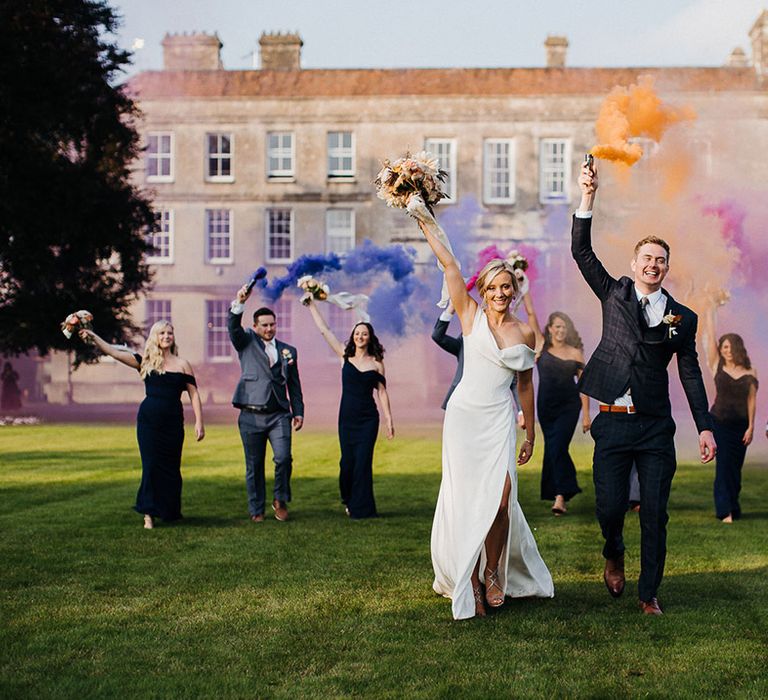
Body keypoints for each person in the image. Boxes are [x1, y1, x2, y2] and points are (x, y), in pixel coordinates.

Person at [572, 161, 715, 616]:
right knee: (610, 506)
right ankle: (612, 549)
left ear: (667, 268)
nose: (653, 265)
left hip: (656, 427)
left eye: (660, 260)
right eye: (646, 258)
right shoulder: (613, 293)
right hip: (612, 423)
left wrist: (705, 428)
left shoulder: (683, 317)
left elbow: (690, 372)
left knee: (655, 512)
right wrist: (588, 196)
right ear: (635, 264)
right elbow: (581, 252)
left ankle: (648, 592)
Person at [410, 196, 553, 620]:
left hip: (499, 419)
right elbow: (450, 266)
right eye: (492, 287)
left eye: (506, 287)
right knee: (466, 498)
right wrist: (422, 217)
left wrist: (531, 432)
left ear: (514, 289)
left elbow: (525, 382)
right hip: (464, 417)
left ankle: (493, 571)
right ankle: (467, 576)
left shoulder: (524, 332)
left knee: (502, 499)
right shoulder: (469, 316)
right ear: (483, 290)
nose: (500, 293)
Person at [80, 322, 204, 529]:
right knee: (151, 466)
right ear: (155, 337)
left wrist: (199, 422)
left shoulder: (183, 364)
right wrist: (93, 336)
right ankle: (148, 514)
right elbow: (114, 352)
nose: (167, 336)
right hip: (149, 422)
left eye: (170, 333)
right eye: (162, 333)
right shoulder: (145, 362)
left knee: (172, 468)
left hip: (173, 422)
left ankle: (170, 511)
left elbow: (194, 394)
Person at [305, 299, 394, 518]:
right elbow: (325, 331)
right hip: (347, 419)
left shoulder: (377, 363)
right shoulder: (344, 357)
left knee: (363, 462)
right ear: (353, 336)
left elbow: (382, 392)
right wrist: (311, 306)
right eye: (357, 333)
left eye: (364, 333)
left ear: (369, 337)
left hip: (368, 420)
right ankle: (348, 498)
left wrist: (389, 420)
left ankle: (362, 509)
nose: (360, 336)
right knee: (347, 464)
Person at [229, 286, 304, 523]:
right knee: (254, 465)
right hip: (250, 414)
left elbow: (294, 384)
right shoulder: (246, 342)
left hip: (279, 415)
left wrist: (298, 412)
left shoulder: (288, 351)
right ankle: (256, 509)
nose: (269, 328)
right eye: (264, 325)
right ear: (256, 327)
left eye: (272, 324)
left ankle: (280, 499)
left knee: (283, 458)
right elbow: (233, 327)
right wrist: (239, 303)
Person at [702, 309, 758, 523]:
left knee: (735, 468)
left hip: (741, 426)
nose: (725, 350)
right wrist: (711, 309)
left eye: (728, 346)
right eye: (723, 347)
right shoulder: (717, 365)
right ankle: (724, 510)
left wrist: (751, 427)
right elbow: (710, 334)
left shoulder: (751, 371)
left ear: (736, 347)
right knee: (724, 465)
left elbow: (751, 400)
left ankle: (733, 504)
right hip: (720, 423)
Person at [537, 312, 590, 516]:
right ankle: (565, 488)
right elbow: (532, 315)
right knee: (553, 448)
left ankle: (560, 496)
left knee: (558, 446)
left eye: (563, 327)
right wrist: (524, 292)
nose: (560, 330)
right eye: (557, 326)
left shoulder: (576, 353)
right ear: (550, 328)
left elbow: (584, 387)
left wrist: (586, 415)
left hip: (568, 407)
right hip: (546, 407)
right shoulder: (541, 347)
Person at [431, 302, 522, 419]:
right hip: (461, 404)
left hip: (491, 406)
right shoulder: (466, 341)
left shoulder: (505, 344)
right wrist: (451, 309)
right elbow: (438, 336)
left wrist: (521, 411)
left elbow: (514, 382)